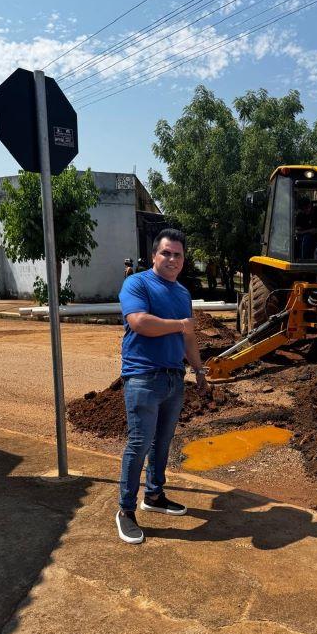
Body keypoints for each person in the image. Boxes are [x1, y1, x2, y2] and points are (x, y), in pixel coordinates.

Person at [116, 228, 209, 545]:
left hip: (173, 378)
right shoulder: (137, 283)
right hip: (142, 376)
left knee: (162, 442)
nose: (172, 259)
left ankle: (154, 495)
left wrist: (199, 370)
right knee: (139, 443)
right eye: (166, 253)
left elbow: (189, 337)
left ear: (183, 260)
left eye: (177, 254)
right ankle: (126, 511)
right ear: (154, 255)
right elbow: (139, 322)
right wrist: (180, 325)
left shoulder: (182, 294)